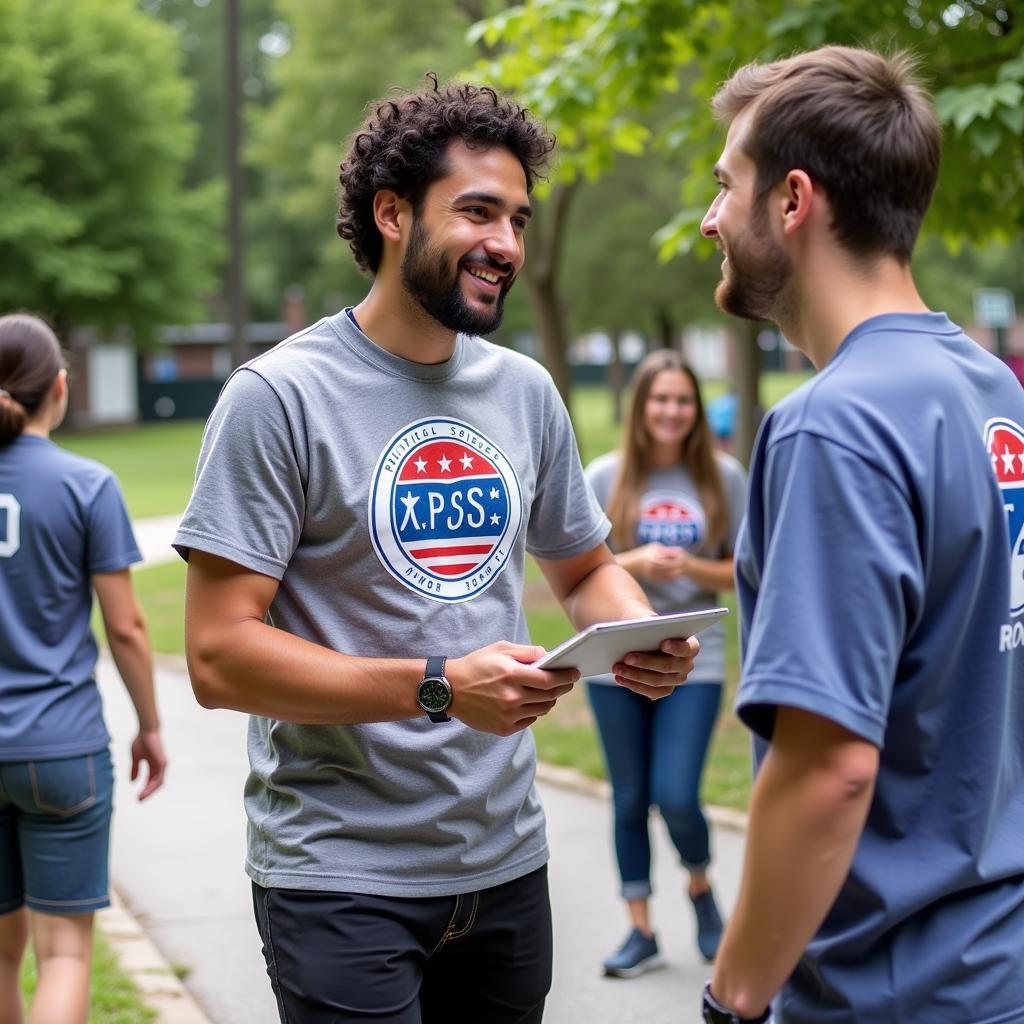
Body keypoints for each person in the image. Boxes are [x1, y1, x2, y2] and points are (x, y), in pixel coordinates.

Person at [174, 78, 699, 1024]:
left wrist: (633, 633)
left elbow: (583, 569)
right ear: (391, 214)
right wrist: (436, 684)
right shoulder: (277, 398)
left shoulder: (525, 391)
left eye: (520, 219)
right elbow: (216, 654)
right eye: (478, 212)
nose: (507, 243)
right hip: (339, 877)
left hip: (504, 865)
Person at [695, 45, 1024, 1024]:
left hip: (892, 994)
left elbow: (829, 768)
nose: (712, 218)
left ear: (792, 201)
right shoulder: (988, 390)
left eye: (725, 185)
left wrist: (732, 997)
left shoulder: (832, 423)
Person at [0, 313, 167, 1024]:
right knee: (64, 954)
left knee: (2, 956)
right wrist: (151, 728)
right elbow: (126, 626)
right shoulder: (87, 484)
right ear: (60, 390)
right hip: (62, 752)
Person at [584, 350, 746, 977]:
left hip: (693, 662)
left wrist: (690, 569)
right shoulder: (604, 475)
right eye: (660, 399)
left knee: (676, 795)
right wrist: (637, 564)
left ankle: (702, 892)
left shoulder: (723, 477)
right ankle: (641, 929)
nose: (671, 411)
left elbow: (741, 570)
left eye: (683, 400)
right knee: (629, 799)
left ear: (695, 410)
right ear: (640, 406)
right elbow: (578, 566)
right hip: (615, 660)